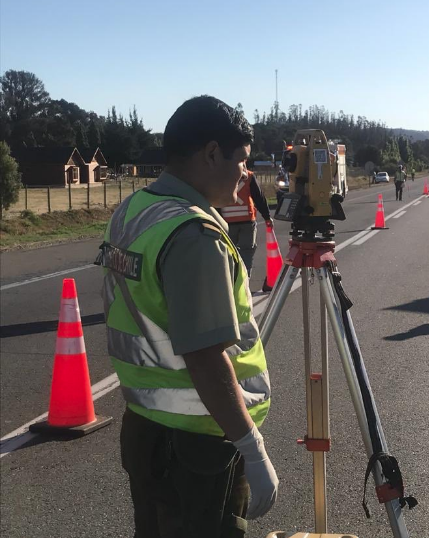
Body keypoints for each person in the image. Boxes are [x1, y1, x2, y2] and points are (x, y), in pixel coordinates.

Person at [98, 95, 279, 537]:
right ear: (212, 152)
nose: (245, 175)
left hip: (145, 430)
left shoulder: (136, 209)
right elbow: (205, 357)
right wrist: (251, 448)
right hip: (197, 447)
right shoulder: (196, 236)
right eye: (242, 161)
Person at [219, 169, 273, 274]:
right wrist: (267, 217)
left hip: (227, 222)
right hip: (247, 221)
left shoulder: (220, 175)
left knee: (227, 252)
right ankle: (245, 279)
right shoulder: (249, 176)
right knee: (246, 253)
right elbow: (259, 198)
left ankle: (230, 279)